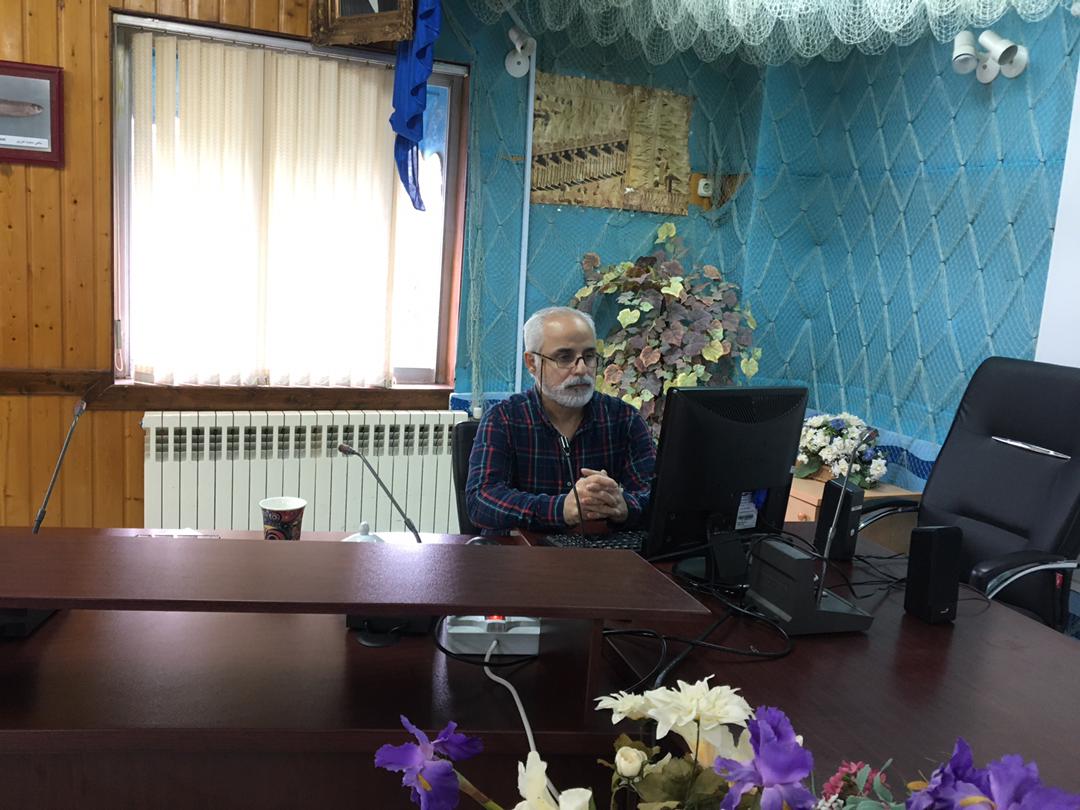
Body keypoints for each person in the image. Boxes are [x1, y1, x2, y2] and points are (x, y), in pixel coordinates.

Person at [465, 306, 656, 534]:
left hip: (599, 552)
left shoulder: (624, 418)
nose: (581, 369)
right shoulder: (503, 418)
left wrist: (624, 506)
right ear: (532, 363)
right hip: (524, 552)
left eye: (589, 356)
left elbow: (657, 496)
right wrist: (559, 509)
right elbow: (481, 500)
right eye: (565, 357)